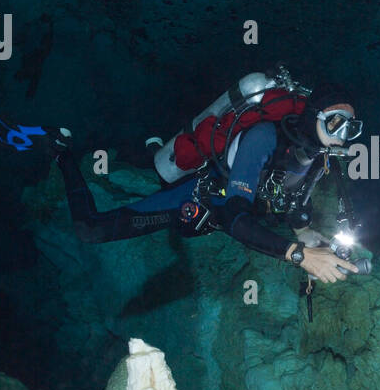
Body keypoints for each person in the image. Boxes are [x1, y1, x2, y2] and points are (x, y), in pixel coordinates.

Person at [51, 80, 363, 283]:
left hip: (223, 213)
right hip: (199, 204)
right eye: (336, 122)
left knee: (153, 175)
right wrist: (299, 254)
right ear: (313, 115)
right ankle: (62, 156)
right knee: (90, 230)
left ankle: (153, 148)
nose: (341, 136)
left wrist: (306, 235)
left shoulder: (318, 159)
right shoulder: (263, 137)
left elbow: (294, 205)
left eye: (350, 129)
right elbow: (232, 216)